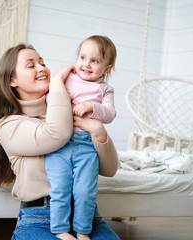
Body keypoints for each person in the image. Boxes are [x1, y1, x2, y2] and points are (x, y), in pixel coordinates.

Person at [0, 44, 120, 240]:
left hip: (88, 220)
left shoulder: (71, 108)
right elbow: (57, 133)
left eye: (42, 63)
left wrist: (98, 131)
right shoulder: (8, 125)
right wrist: (57, 84)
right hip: (39, 219)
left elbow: (110, 169)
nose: (41, 68)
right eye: (31, 65)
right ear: (12, 80)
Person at [45, 35, 117, 240]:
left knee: (85, 192)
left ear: (106, 68)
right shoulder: (68, 77)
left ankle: (82, 231)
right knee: (60, 189)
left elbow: (110, 114)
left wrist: (92, 107)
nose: (86, 64)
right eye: (83, 57)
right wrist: (64, 99)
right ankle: (60, 229)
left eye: (94, 61)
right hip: (60, 145)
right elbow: (51, 97)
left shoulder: (105, 89)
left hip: (87, 147)